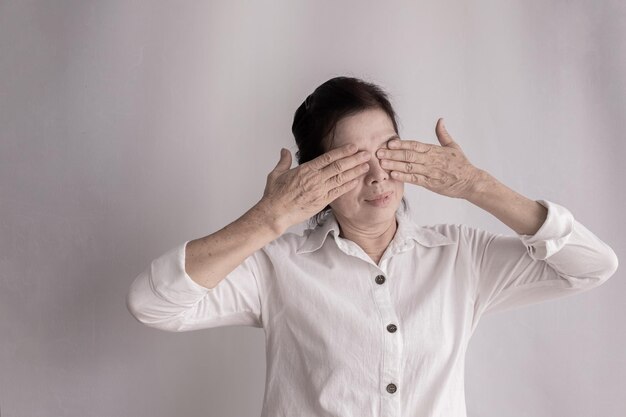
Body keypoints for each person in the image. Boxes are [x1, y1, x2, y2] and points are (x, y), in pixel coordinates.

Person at [126, 76, 618, 417]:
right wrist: (269, 218)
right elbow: (154, 304)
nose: (379, 175)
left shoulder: (459, 257)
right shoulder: (278, 268)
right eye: (353, 159)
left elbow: (592, 265)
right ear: (317, 173)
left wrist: (477, 186)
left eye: (387, 150)